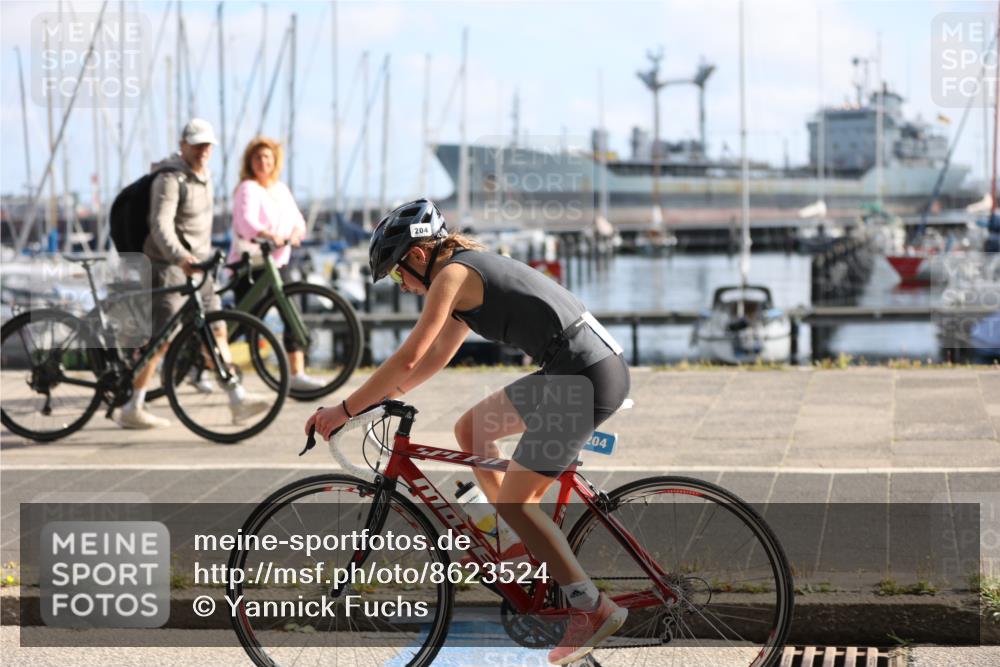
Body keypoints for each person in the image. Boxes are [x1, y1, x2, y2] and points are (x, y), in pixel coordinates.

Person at [305, 199, 631, 665]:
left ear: (417, 256)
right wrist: (368, 403)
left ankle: (592, 609)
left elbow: (410, 356)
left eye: (399, 276)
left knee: (517, 500)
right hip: (575, 368)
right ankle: (518, 543)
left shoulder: (452, 276)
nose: (404, 287)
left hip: (583, 376)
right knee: (473, 429)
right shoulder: (460, 279)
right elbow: (431, 362)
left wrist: (343, 408)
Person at [116, 118, 269, 429]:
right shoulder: (170, 179)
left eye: (207, 145)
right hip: (167, 267)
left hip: (200, 268)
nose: (202, 150)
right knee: (160, 341)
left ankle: (237, 397)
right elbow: (161, 225)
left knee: (218, 331)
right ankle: (133, 406)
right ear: (183, 145)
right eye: (196, 144)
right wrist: (180, 257)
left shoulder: (205, 176)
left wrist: (200, 259)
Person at [228, 136, 323, 392]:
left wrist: (294, 235)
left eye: (267, 157)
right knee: (240, 322)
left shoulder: (280, 189)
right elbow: (245, 223)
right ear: (250, 162)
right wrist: (269, 235)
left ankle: (297, 373)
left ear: (275, 161)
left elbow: (298, 220)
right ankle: (204, 363)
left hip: (279, 263)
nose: (262, 162)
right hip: (251, 263)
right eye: (257, 157)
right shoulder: (246, 188)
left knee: (291, 314)